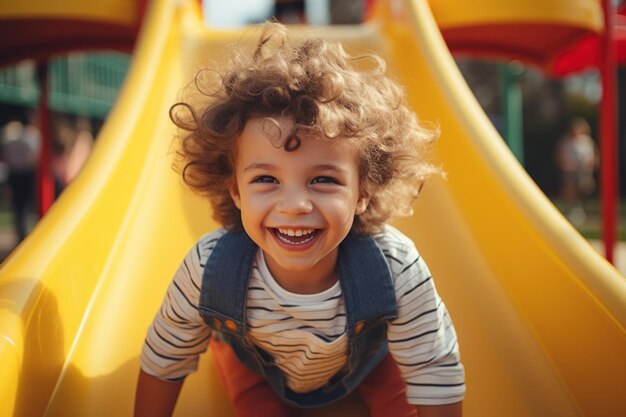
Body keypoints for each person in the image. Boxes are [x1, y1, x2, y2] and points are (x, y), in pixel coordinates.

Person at [135, 22, 465, 417]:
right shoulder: (210, 269)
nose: (293, 205)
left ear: (363, 192)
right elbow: (165, 356)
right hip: (258, 368)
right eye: (266, 179)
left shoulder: (394, 269)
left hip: (367, 366)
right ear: (235, 191)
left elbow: (434, 366)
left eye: (323, 179)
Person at [555, 117, 598, 226]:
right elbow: (559, 156)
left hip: (583, 172)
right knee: (570, 191)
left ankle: (579, 211)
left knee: (582, 190)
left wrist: (589, 165)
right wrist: (566, 164)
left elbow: (594, 157)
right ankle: (574, 211)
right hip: (570, 172)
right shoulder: (566, 141)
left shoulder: (586, 141)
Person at [1, 120, 38, 244]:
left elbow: (6, 159)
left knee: (19, 208)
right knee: (25, 208)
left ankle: (21, 235)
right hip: (25, 175)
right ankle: (24, 235)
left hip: (15, 175)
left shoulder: (9, 142)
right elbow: (33, 158)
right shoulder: (28, 141)